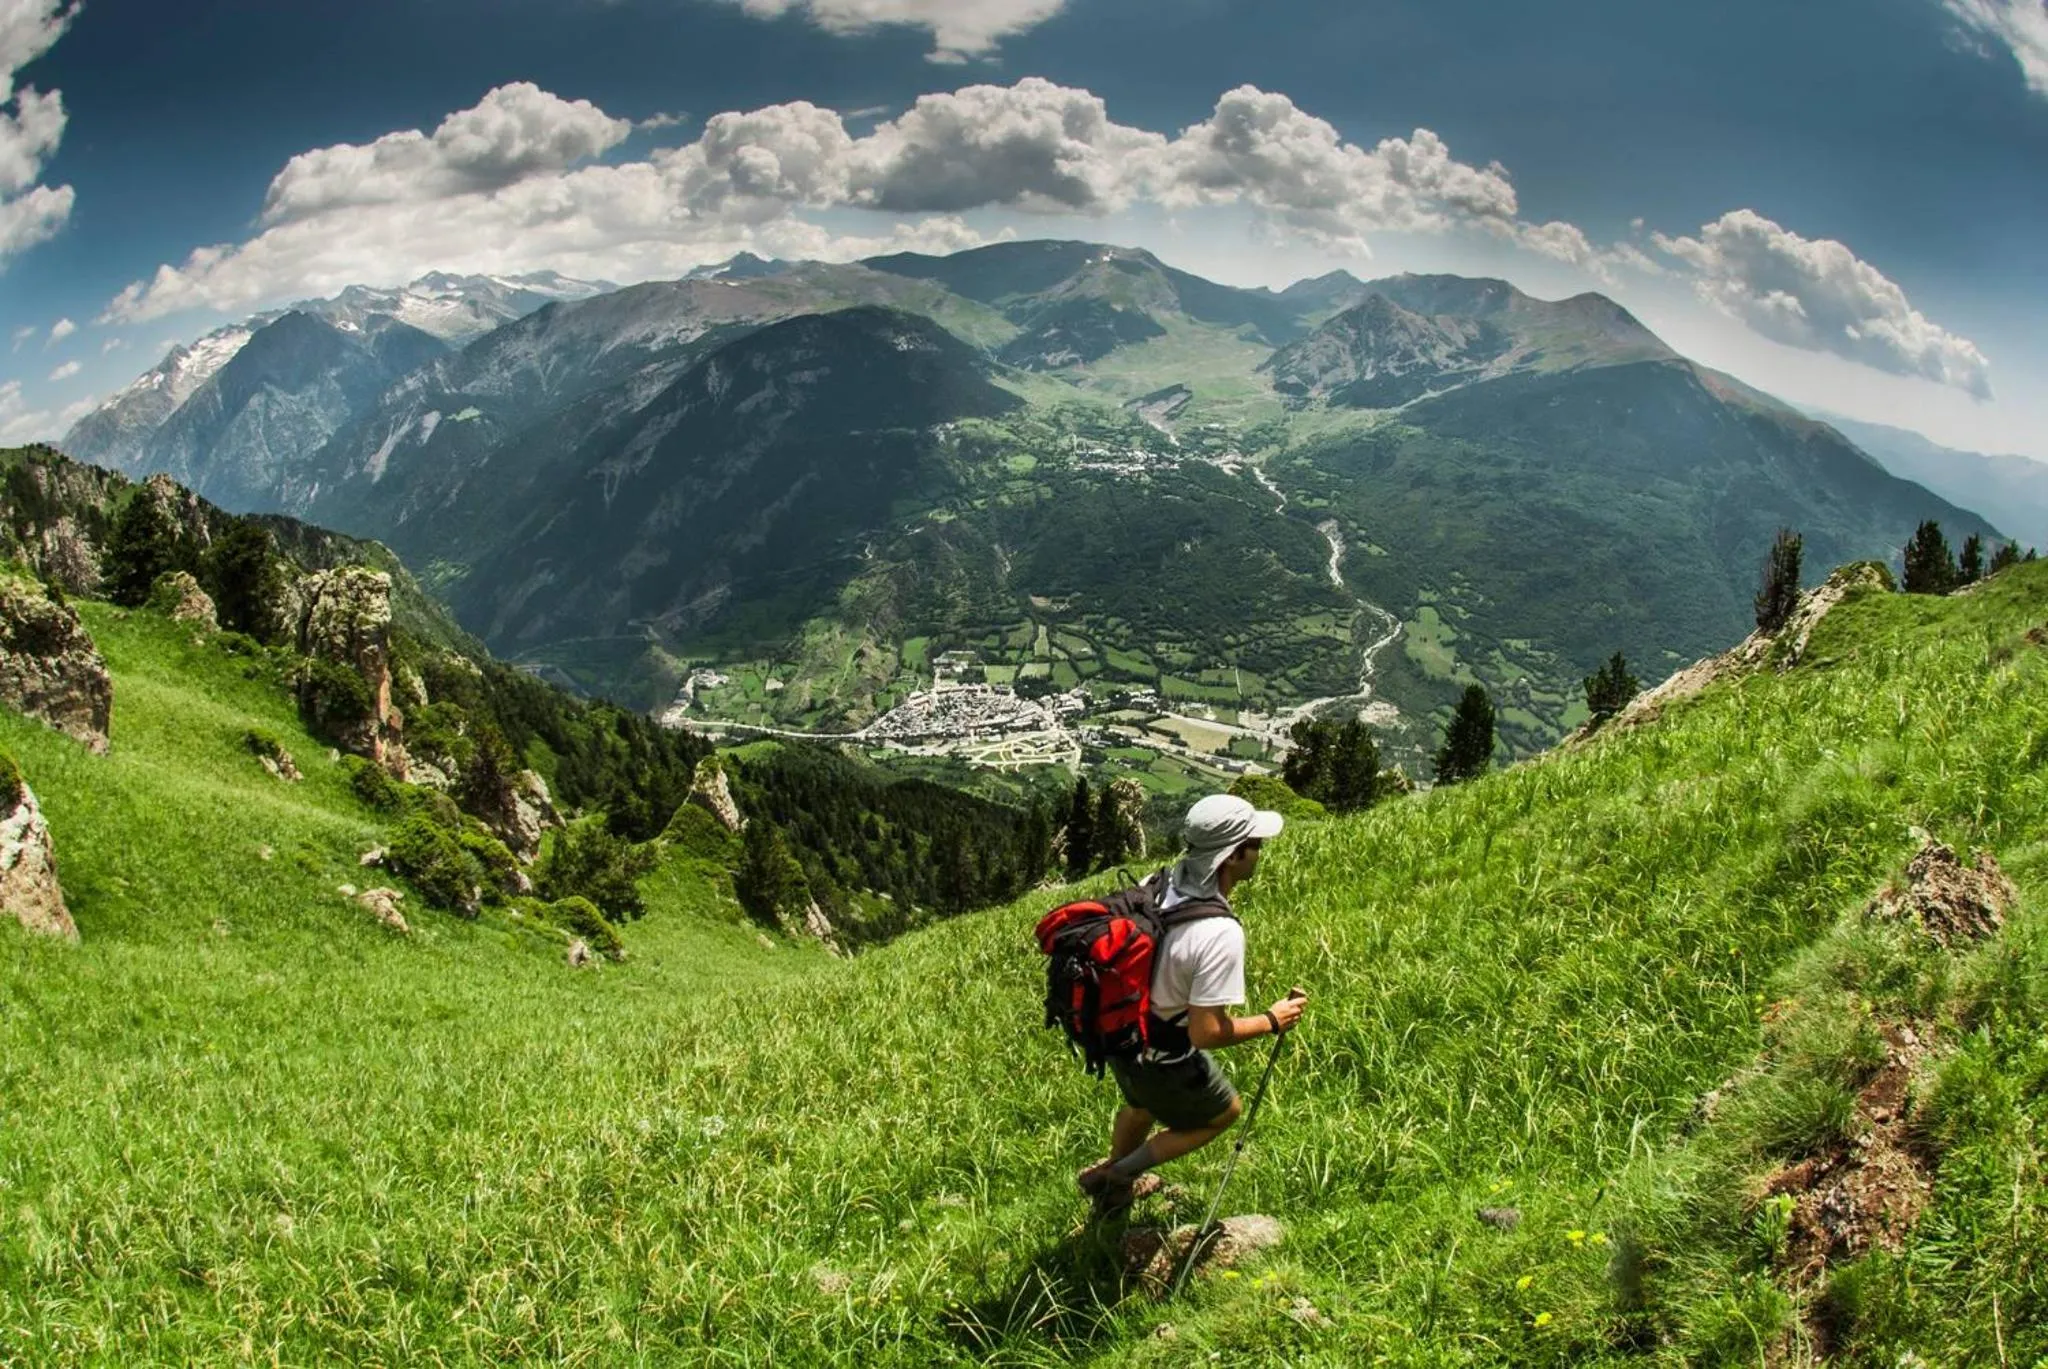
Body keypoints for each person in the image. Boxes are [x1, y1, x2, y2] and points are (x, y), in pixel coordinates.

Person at [1076, 792, 1308, 1215]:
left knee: (1140, 1105)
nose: (1260, 851)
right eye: (1255, 843)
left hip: (1120, 1033)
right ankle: (1118, 1175)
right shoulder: (1219, 932)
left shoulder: (1157, 883)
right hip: (1163, 1053)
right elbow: (1206, 1032)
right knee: (1223, 1113)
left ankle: (1112, 1187)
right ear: (1232, 856)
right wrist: (1272, 1020)